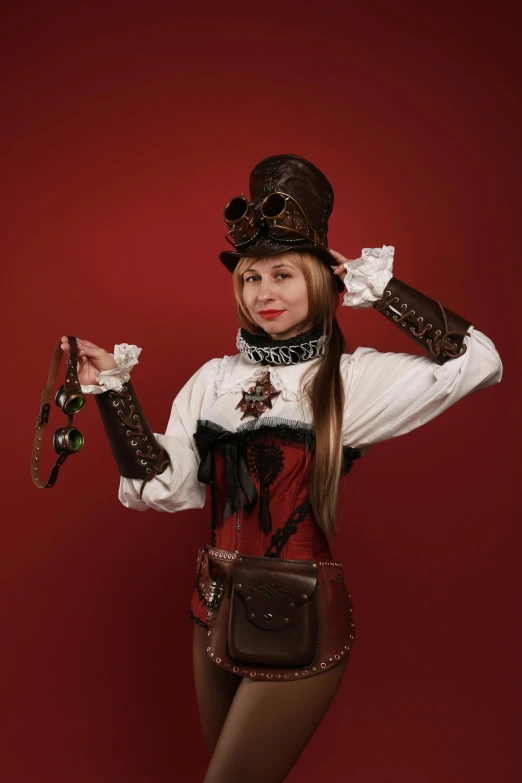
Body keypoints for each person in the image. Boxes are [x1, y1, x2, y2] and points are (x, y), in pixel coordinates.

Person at [60, 154, 502, 783]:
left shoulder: (349, 378)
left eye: (284, 275)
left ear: (322, 281)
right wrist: (111, 392)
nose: (264, 293)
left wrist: (380, 293)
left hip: (299, 608)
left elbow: (477, 361)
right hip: (210, 602)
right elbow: (166, 483)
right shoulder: (214, 378)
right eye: (250, 277)